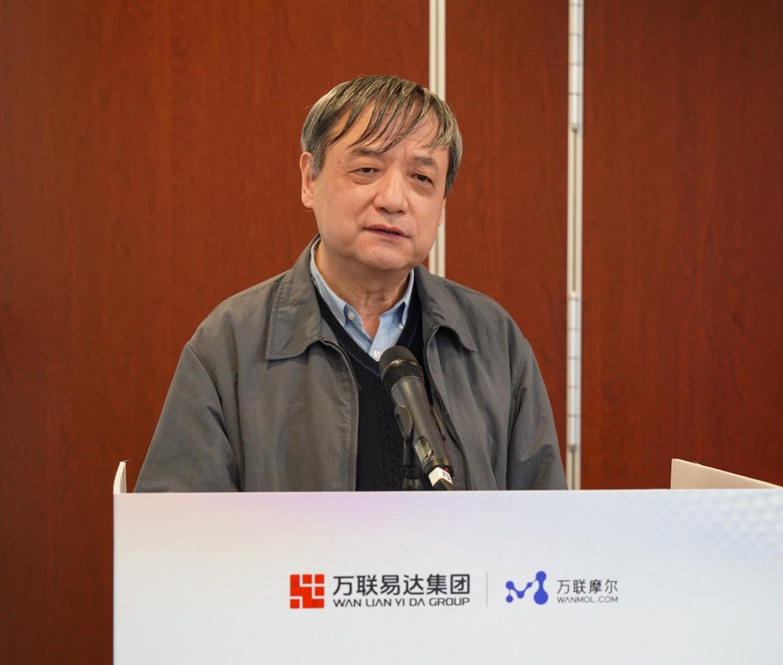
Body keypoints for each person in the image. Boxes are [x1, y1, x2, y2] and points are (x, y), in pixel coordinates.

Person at [135, 75, 567, 492]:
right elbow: (175, 527)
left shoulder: (493, 340)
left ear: (441, 206)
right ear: (310, 179)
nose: (393, 199)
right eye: (366, 168)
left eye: (421, 178)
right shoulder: (230, 342)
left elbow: (546, 523)